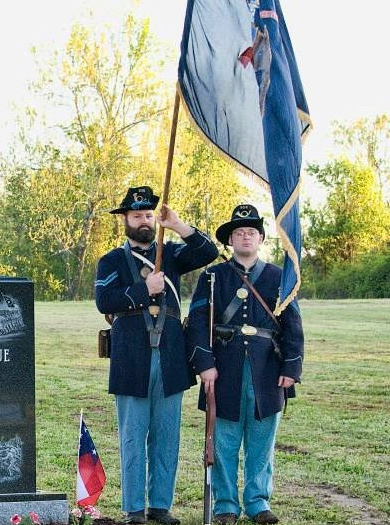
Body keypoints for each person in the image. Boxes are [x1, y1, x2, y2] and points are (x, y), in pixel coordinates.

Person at [94, 185, 219, 525]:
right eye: (137, 215)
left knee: (167, 437)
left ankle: (160, 506)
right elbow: (104, 301)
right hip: (131, 358)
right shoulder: (112, 260)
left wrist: (178, 225)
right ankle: (134, 508)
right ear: (126, 220)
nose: (144, 221)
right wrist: (143, 290)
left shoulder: (173, 253)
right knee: (134, 437)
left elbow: (209, 252)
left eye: (149, 215)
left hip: (170, 357)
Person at [186, 205, 304, 525]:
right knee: (223, 441)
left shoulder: (280, 276)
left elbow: (292, 325)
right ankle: (225, 505)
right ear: (231, 241)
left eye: (251, 232)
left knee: (261, 442)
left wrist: (291, 368)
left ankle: (257, 502)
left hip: (267, 370)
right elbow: (197, 323)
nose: (245, 237)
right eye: (239, 233)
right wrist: (204, 364)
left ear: (261, 238)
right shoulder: (212, 276)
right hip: (224, 369)